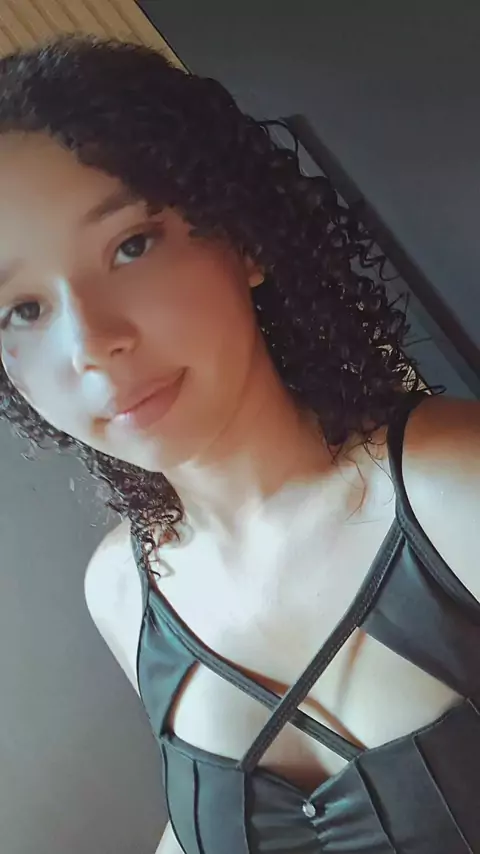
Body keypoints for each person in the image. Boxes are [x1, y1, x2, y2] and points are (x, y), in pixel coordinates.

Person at [0, 34, 478, 854]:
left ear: (241, 237)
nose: (91, 344)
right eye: (23, 309)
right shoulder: (123, 592)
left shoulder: (455, 493)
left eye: (131, 246)